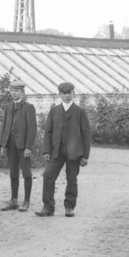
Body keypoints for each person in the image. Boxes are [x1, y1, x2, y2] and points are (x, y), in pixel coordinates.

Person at [38, 82, 92, 217]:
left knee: (71, 179)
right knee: (48, 176)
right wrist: (47, 151)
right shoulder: (54, 111)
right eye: (64, 93)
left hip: (74, 152)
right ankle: (48, 207)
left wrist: (85, 156)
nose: (67, 96)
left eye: (69, 93)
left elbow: (86, 135)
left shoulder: (79, 112)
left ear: (73, 93)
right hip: (57, 151)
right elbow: (48, 132)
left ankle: (69, 206)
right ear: (60, 94)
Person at [0, 78, 37, 212]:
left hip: (23, 146)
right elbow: (5, 126)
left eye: (17, 91)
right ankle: (14, 200)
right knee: (13, 172)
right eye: (12, 90)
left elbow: (32, 129)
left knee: (26, 173)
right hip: (10, 145)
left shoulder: (28, 107)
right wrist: (3, 145)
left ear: (22, 92)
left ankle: (26, 201)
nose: (14, 93)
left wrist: (28, 147)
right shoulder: (8, 107)